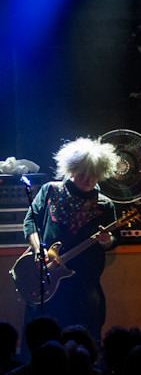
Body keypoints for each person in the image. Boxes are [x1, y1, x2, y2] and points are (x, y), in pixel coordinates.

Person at [22, 138, 119, 344]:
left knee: (85, 340)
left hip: (84, 285)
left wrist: (106, 240)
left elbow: (112, 241)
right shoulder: (50, 191)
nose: (89, 179)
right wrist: (39, 250)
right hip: (46, 280)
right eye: (84, 172)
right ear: (72, 170)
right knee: (43, 338)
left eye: (94, 174)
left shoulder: (105, 205)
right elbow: (31, 221)